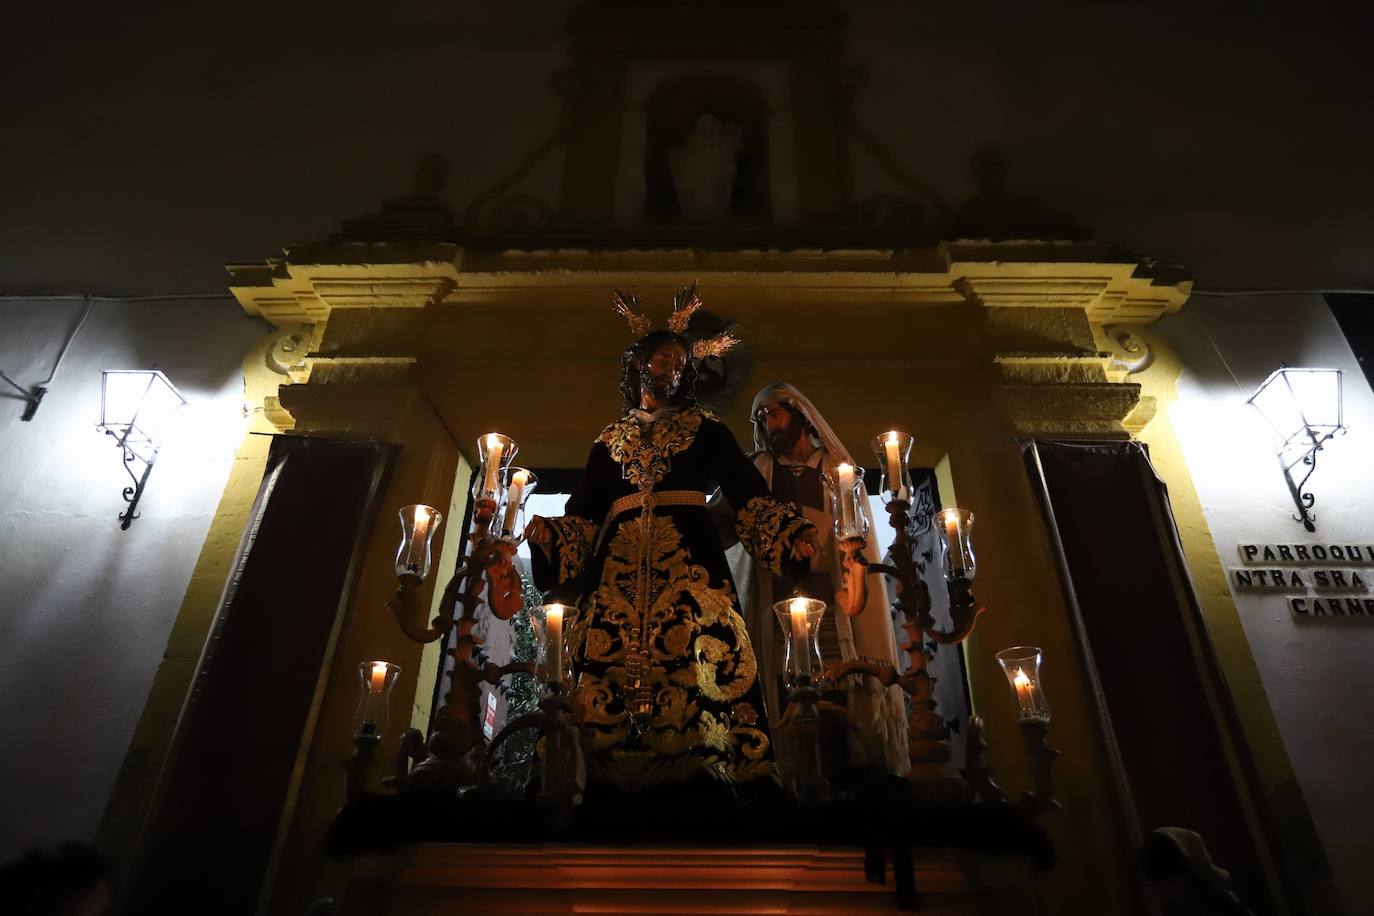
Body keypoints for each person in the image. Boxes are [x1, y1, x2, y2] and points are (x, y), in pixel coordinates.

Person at [527, 290, 816, 792]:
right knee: (602, 671)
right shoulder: (608, 441)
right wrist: (550, 536)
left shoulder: (707, 430)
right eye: (663, 360)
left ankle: (711, 765)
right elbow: (584, 515)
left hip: (691, 567)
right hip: (616, 576)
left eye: (681, 364)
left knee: (698, 662)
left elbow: (748, 494)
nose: (672, 370)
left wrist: (787, 535)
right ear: (639, 364)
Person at [740, 383, 910, 776]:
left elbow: (855, 540)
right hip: (776, 609)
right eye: (762, 418)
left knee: (837, 693)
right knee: (784, 698)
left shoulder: (838, 472)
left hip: (833, 609)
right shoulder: (758, 472)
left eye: (775, 413)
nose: (769, 424)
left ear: (800, 415)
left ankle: (841, 778)